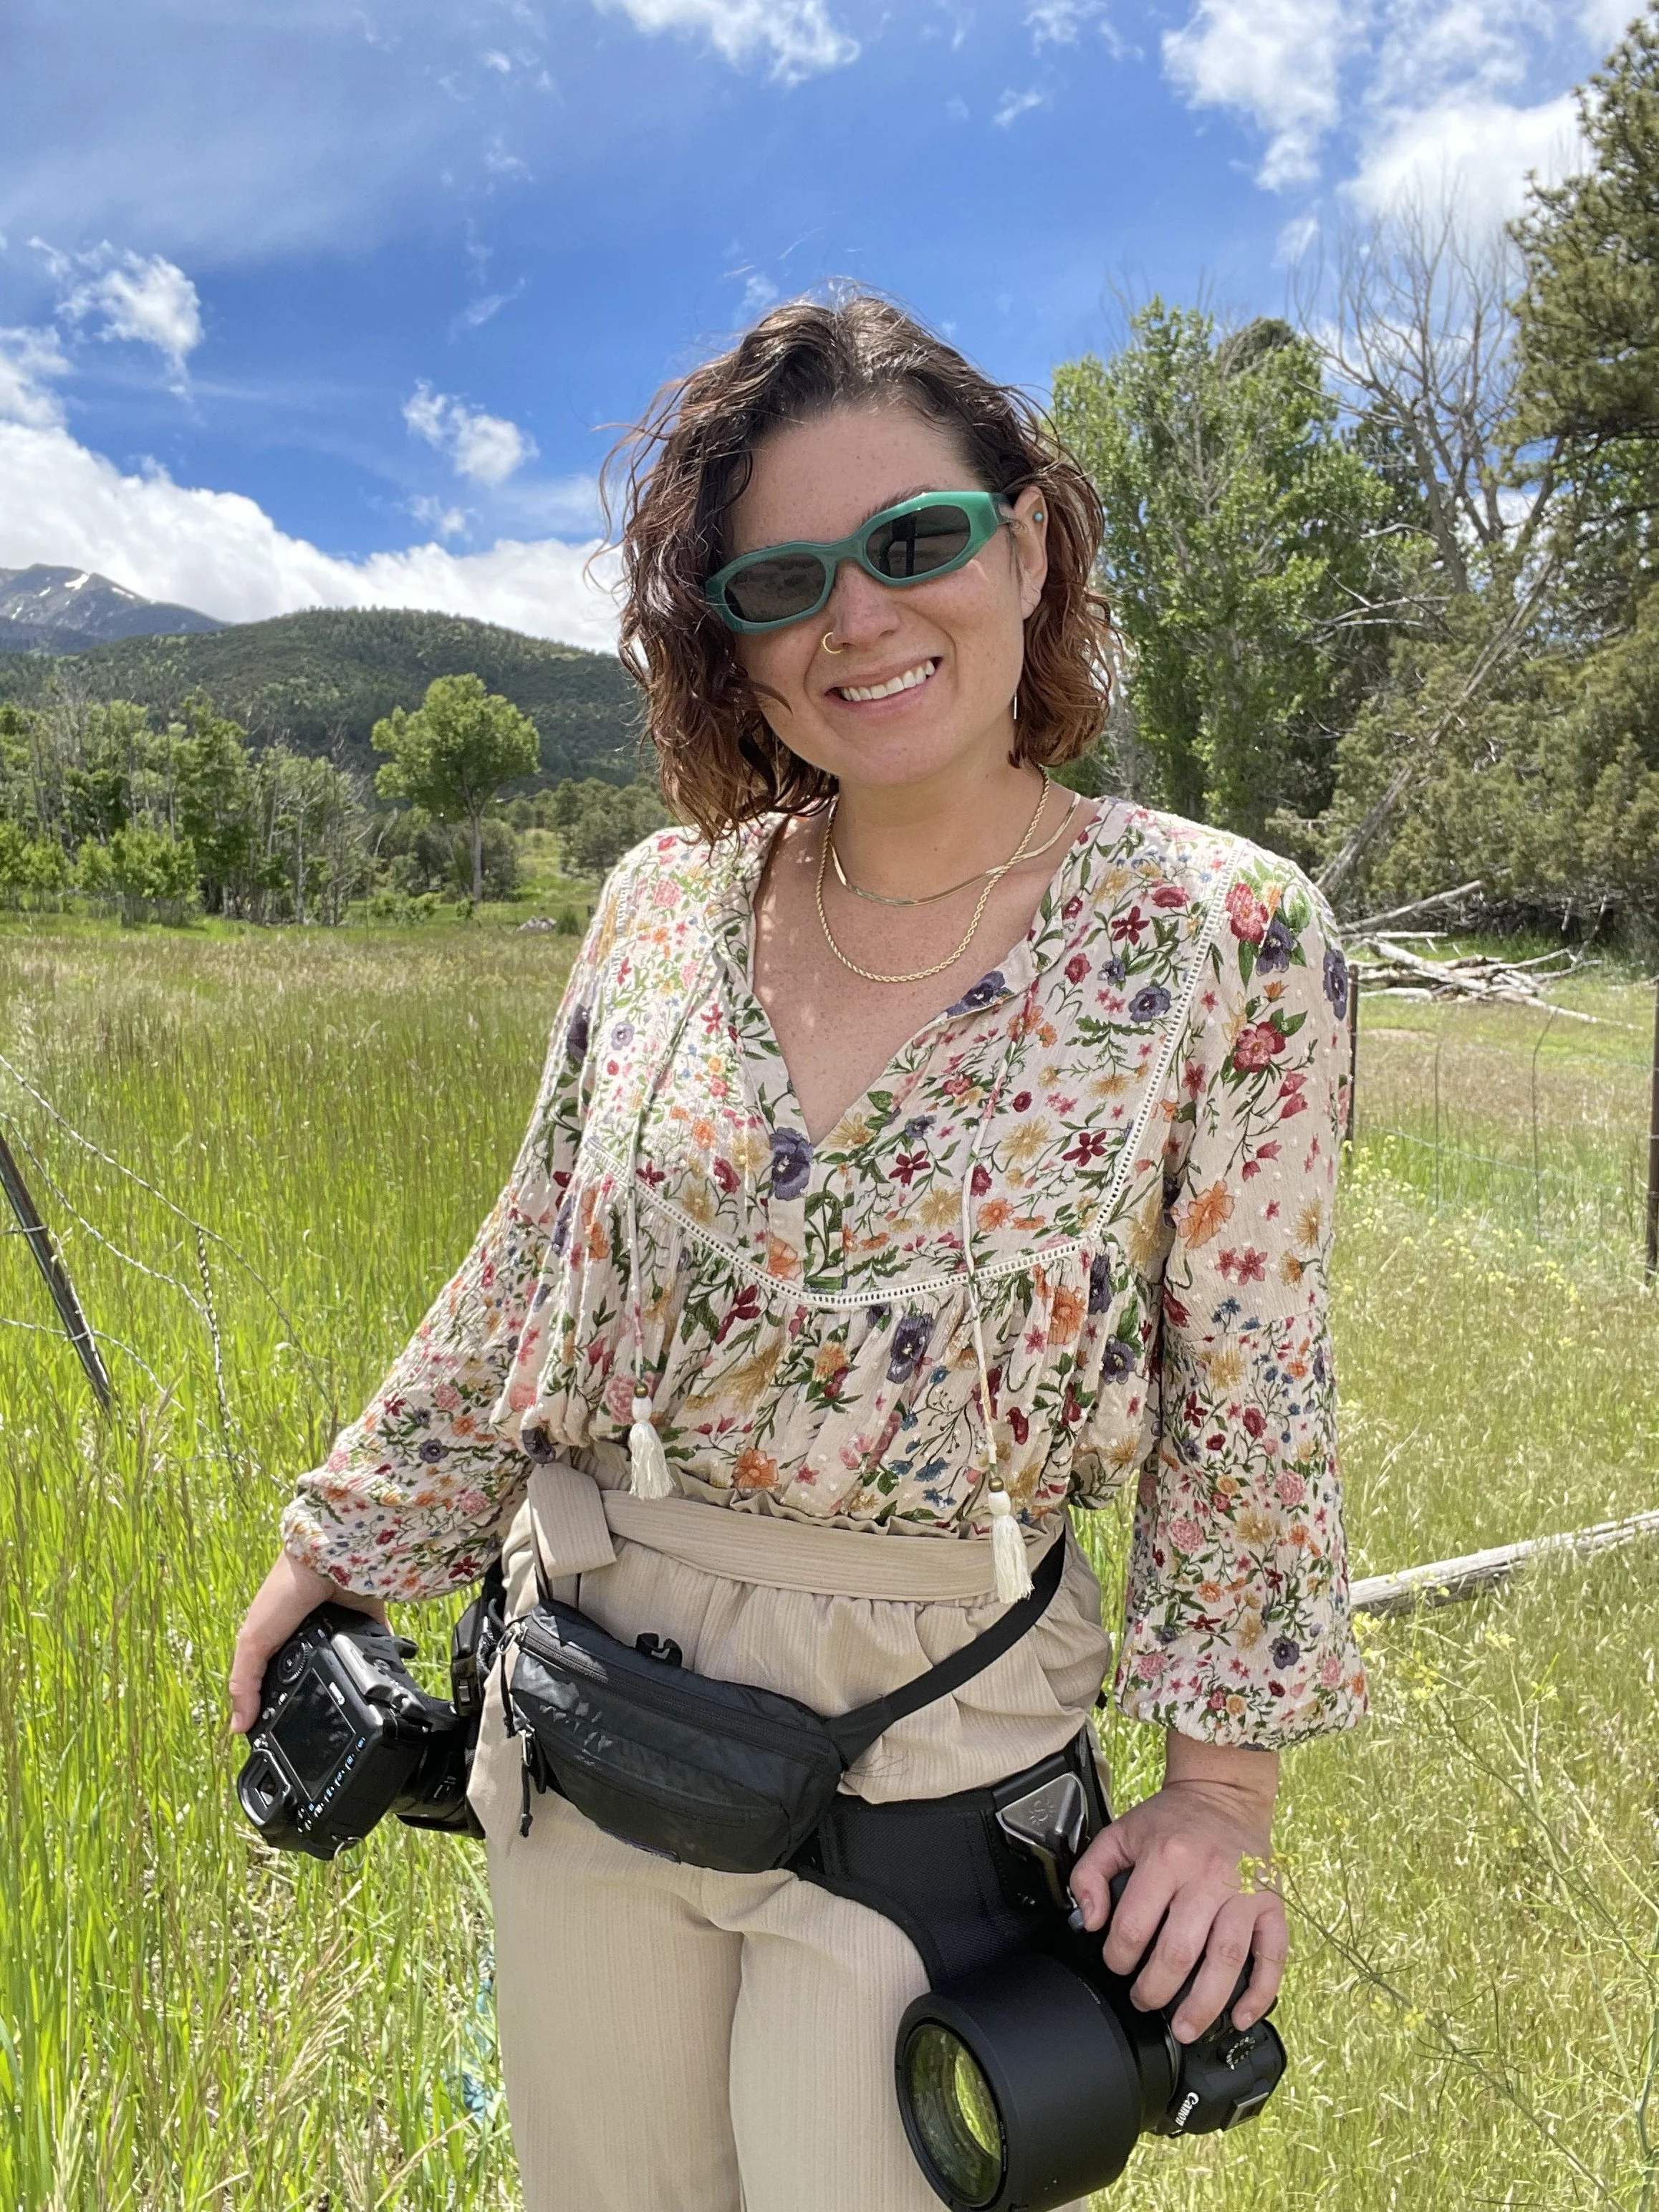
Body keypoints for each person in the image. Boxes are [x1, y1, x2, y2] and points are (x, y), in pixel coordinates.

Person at [230, 292, 1366, 2212]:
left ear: (1022, 550)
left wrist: (1215, 1796)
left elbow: (1249, 1387)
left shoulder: (1219, 936)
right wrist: (332, 1547)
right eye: (780, 579)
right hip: (597, 1678)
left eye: (912, 543)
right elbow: (529, 1261)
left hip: (937, 1725)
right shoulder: (659, 906)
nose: (859, 616)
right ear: (726, 643)